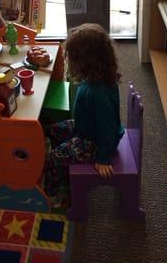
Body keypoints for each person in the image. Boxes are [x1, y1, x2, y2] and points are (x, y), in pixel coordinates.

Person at [44, 23, 124, 204]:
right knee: (55, 129)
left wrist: (103, 158)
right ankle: (65, 170)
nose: (69, 61)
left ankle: (51, 195)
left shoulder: (99, 93)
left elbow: (108, 128)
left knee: (52, 157)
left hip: (94, 142)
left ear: (85, 61)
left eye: (72, 58)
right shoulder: (97, 77)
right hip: (86, 127)